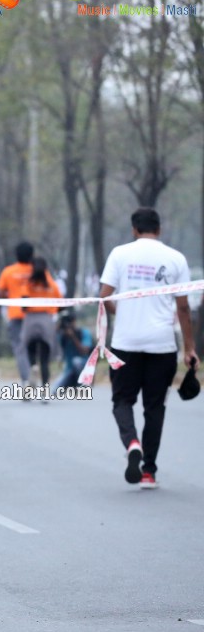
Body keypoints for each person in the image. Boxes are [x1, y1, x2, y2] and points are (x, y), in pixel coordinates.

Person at [99, 207, 198, 489]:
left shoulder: (120, 254)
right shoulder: (175, 258)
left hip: (125, 343)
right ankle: (148, 472)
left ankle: (132, 444)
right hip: (162, 344)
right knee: (154, 408)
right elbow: (182, 306)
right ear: (159, 229)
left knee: (122, 401)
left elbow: (103, 297)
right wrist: (189, 348)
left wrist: (123, 314)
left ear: (134, 229)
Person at [19, 257, 62, 398]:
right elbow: (60, 303)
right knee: (45, 358)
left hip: (30, 320)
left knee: (30, 350)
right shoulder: (51, 284)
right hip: (46, 320)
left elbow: (24, 304)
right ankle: (44, 390)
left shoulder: (28, 283)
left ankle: (33, 366)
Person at [0, 241, 36, 386]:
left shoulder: (8, 271)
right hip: (34, 314)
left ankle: (26, 380)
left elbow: (1, 291)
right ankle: (34, 368)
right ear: (32, 255)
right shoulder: (36, 270)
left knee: (20, 348)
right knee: (33, 346)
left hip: (15, 314)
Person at [54, 309, 93, 391]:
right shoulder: (62, 335)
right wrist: (58, 328)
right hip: (68, 370)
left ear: (74, 321)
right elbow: (53, 345)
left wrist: (73, 337)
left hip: (82, 367)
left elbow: (84, 351)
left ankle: (83, 383)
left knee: (76, 361)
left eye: (70, 321)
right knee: (55, 390)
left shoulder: (83, 332)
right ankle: (72, 385)